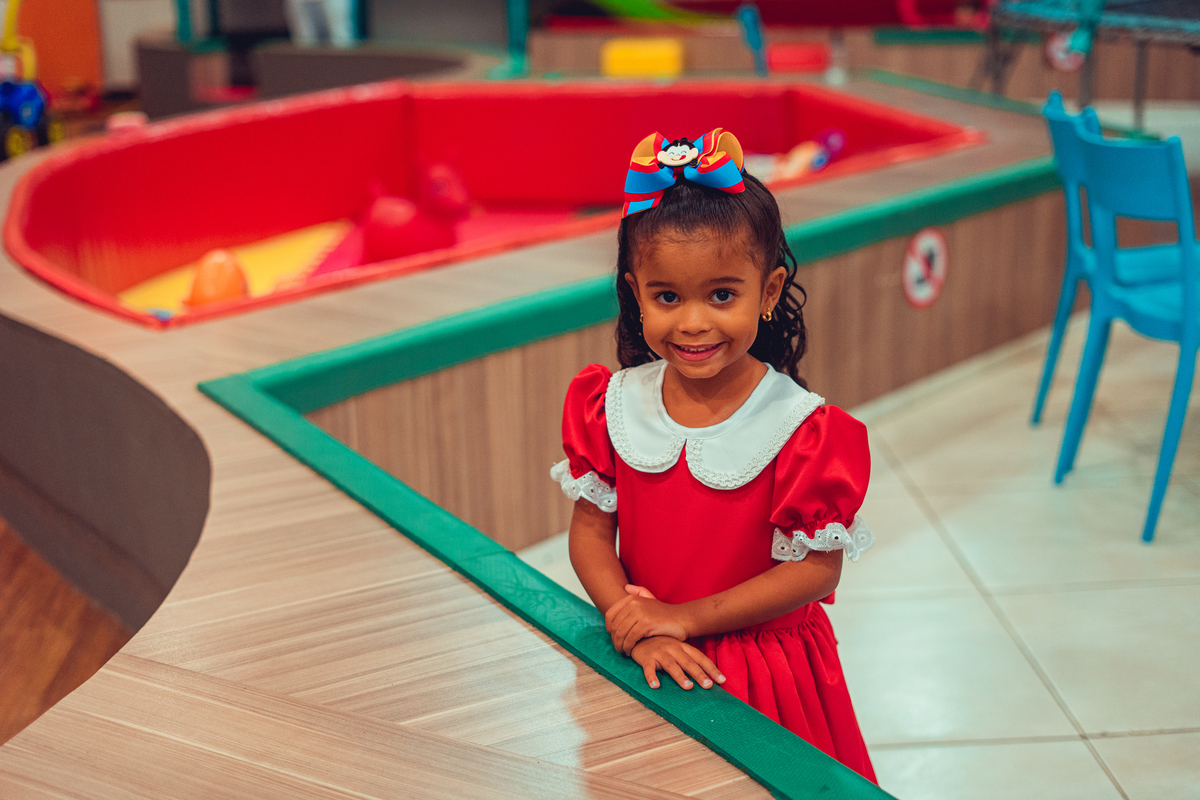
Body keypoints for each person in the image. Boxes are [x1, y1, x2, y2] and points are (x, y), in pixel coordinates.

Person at [549, 128, 876, 780]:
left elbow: (816, 572)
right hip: (644, 649)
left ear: (771, 288)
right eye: (667, 297)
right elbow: (589, 535)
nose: (693, 323)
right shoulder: (609, 405)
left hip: (764, 672)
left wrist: (681, 620)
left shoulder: (802, 429)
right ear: (634, 290)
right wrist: (631, 619)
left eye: (721, 295)